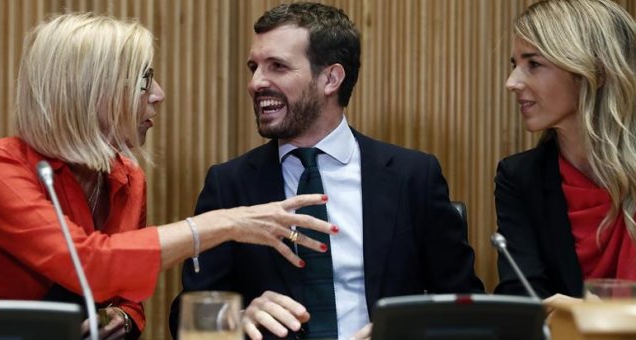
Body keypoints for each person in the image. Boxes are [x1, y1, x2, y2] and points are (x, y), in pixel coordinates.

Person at [0, 13, 335, 339]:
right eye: (144, 80)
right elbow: (90, 263)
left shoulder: (127, 178)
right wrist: (227, 222)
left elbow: (126, 294)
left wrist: (122, 316)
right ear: (90, 91)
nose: (159, 95)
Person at [169, 2, 484, 339]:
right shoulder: (229, 184)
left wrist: (404, 329)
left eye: (277, 66)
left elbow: (468, 308)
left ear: (330, 78)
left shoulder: (413, 176)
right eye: (253, 67)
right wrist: (238, 316)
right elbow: (187, 316)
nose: (255, 83)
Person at [494, 0, 636, 308]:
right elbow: (522, 297)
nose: (512, 82)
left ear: (595, 72)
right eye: (514, 65)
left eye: (533, 64)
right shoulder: (519, 178)